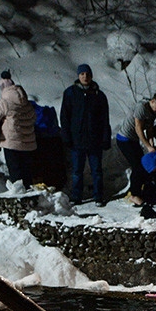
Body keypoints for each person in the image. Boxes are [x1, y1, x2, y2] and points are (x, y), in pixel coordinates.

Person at [60, 63, 111, 205]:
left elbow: (105, 118)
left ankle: (98, 196)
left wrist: (105, 137)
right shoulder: (70, 93)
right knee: (77, 171)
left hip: (95, 139)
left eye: (87, 74)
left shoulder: (99, 95)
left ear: (91, 76)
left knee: (97, 170)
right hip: (77, 139)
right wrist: (66, 136)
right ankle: (77, 196)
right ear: (78, 76)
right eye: (82, 74)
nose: (85, 77)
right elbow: (65, 116)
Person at [0, 70, 37, 188]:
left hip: (12, 143)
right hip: (28, 144)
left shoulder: (3, 102)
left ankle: (19, 200)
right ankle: (30, 201)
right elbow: (34, 118)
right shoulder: (27, 103)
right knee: (27, 174)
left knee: (16, 175)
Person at [116, 91, 156, 205]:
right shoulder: (141, 108)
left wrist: (152, 143)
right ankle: (134, 195)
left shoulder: (153, 112)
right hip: (124, 138)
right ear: (153, 101)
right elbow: (138, 129)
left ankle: (142, 190)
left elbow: (149, 129)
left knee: (144, 164)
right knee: (138, 166)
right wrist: (148, 146)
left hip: (133, 140)